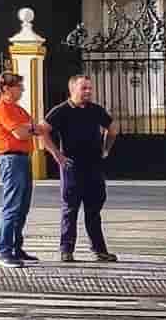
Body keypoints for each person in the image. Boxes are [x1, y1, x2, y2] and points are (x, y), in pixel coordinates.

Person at [45, 74, 119, 263]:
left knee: (94, 210)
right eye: (84, 88)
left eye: (89, 88)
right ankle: (66, 250)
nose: (88, 92)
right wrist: (57, 155)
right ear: (73, 90)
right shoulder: (61, 111)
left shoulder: (96, 110)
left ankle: (99, 250)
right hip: (72, 166)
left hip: (94, 165)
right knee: (70, 208)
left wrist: (106, 149)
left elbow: (113, 127)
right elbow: (42, 130)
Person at [0, 73, 55, 268]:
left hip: (22, 158)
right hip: (10, 159)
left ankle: (16, 247)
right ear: (7, 89)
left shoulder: (17, 109)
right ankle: (3, 250)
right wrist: (31, 128)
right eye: (19, 86)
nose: (22, 90)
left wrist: (30, 128)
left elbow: (34, 128)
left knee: (22, 206)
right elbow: (21, 132)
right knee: (12, 206)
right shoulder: (3, 109)